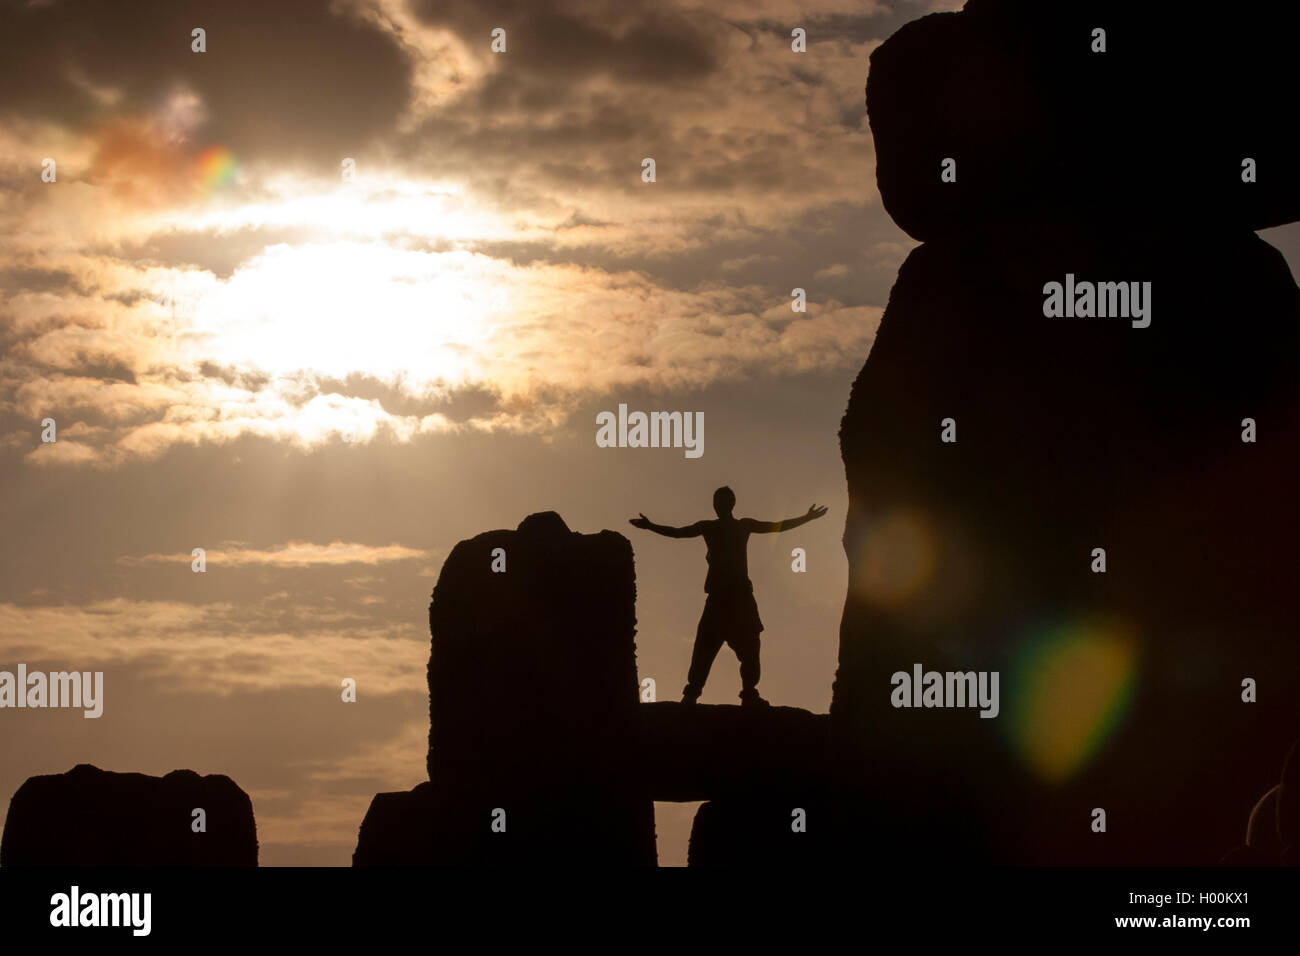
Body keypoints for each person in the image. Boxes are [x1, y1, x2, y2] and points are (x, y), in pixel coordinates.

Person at [630, 487, 828, 706]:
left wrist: (806, 518)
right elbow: (678, 532)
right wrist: (650, 526)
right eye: (717, 501)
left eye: (722, 500)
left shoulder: (741, 525)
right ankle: (694, 693)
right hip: (720, 599)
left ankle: (744, 693)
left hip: (739, 598)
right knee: (707, 648)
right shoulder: (713, 527)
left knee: (748, 647)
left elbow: (775, 527)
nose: (719, 505)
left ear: (730, 503)